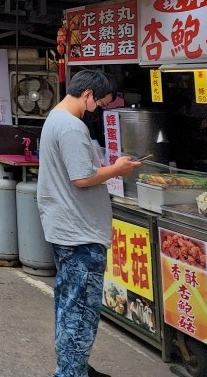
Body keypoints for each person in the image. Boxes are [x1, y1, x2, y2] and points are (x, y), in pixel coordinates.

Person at [37, 70, 141, 377]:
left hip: (67, 227)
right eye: (101, 102)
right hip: (78, 232)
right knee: (80, 310)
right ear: (87, 95)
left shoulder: (55, 118)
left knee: (69, 305)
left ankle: (75, 366)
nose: (100, 109)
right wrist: (117, 169)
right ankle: (70, 372)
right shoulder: (71, 126)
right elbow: (81, 178)